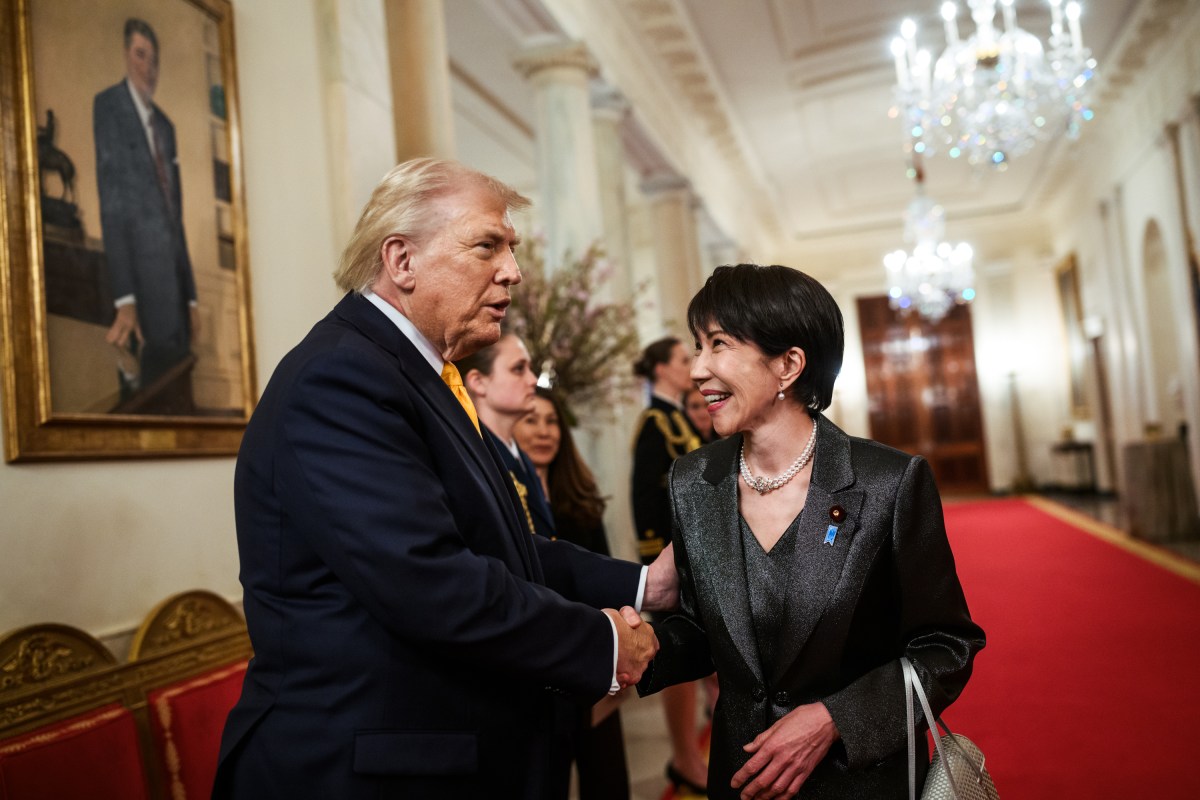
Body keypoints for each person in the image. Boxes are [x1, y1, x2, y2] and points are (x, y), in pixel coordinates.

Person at [213, 158, 677, 800]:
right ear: (401, 260)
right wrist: (600, 641)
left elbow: (501, 546)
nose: (512, 271)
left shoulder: (417, 375)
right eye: (488, 245)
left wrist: (647, 582)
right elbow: (428, 579)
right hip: (361, 771)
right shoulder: (341, 379)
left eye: (510, 249)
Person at [639, 264, 986, 799]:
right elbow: (704, 631)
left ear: (788, 365)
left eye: (719, 344)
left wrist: (834, 719)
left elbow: (946, 646)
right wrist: (638, 648)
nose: (698, 369)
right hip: (742, 781)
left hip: (860, 782)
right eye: (697, 346)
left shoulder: (889, 483)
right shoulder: (693, 481)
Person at [515, 388, 632, 800]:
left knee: (607, 773)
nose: (544, 432)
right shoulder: (505, 498)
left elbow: (606, 571)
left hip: (592, 657)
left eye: (552, 422)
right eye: (532, 420)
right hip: (539, 662)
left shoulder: (580, 496)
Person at [93, 17, 199, 401]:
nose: (147, 68)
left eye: (153, 60)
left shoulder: (166, 128)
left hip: (175, 294)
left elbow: (176, 219)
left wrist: (191, 297)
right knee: (147, 399)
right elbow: (112, 205)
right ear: (126, 55)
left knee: (178, 393)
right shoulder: (109, 107)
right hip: (141, 293)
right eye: (140, 56)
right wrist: (125, 300)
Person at [630, 337, 708, 795]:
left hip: (693, 559)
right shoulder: (654, 422)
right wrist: (651, 562)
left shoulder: (678, 414)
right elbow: (645, 497)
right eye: (684, 359)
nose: (691, 367)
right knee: (675, 656)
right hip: (669, 564)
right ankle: (684, 754)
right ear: (661, 369)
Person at [456, 333, 555, 540]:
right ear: (478, 382)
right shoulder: (475, 458)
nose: (533, 380)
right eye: (519, 369)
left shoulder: (521, 456)